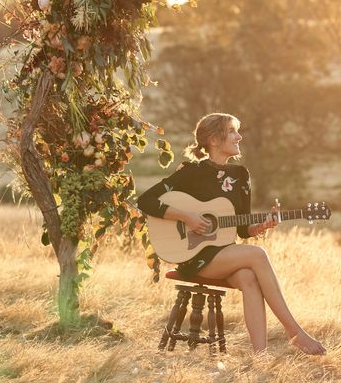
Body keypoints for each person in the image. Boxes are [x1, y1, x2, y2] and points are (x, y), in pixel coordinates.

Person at [137, 112, 326, 355]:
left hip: (225, 254)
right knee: (257, 255)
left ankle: (260, 356)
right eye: (232, 131)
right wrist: (187, 217)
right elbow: (146, 200)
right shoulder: (191, 172)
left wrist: (258, 227)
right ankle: (295, 332)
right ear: (214, 140)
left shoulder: (240, 176)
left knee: (248, 276)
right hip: (195, 256)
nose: (239, 136)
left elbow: (241, 229)